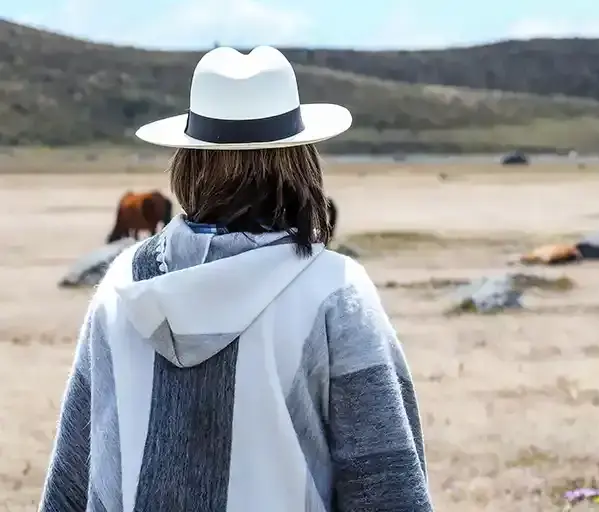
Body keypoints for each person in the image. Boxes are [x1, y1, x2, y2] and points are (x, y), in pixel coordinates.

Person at [38, 46, 432, 511]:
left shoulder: (121, 287)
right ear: (300, 158)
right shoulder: (336, 294)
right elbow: (384, 483)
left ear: (189, 159)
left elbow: (77, 476)